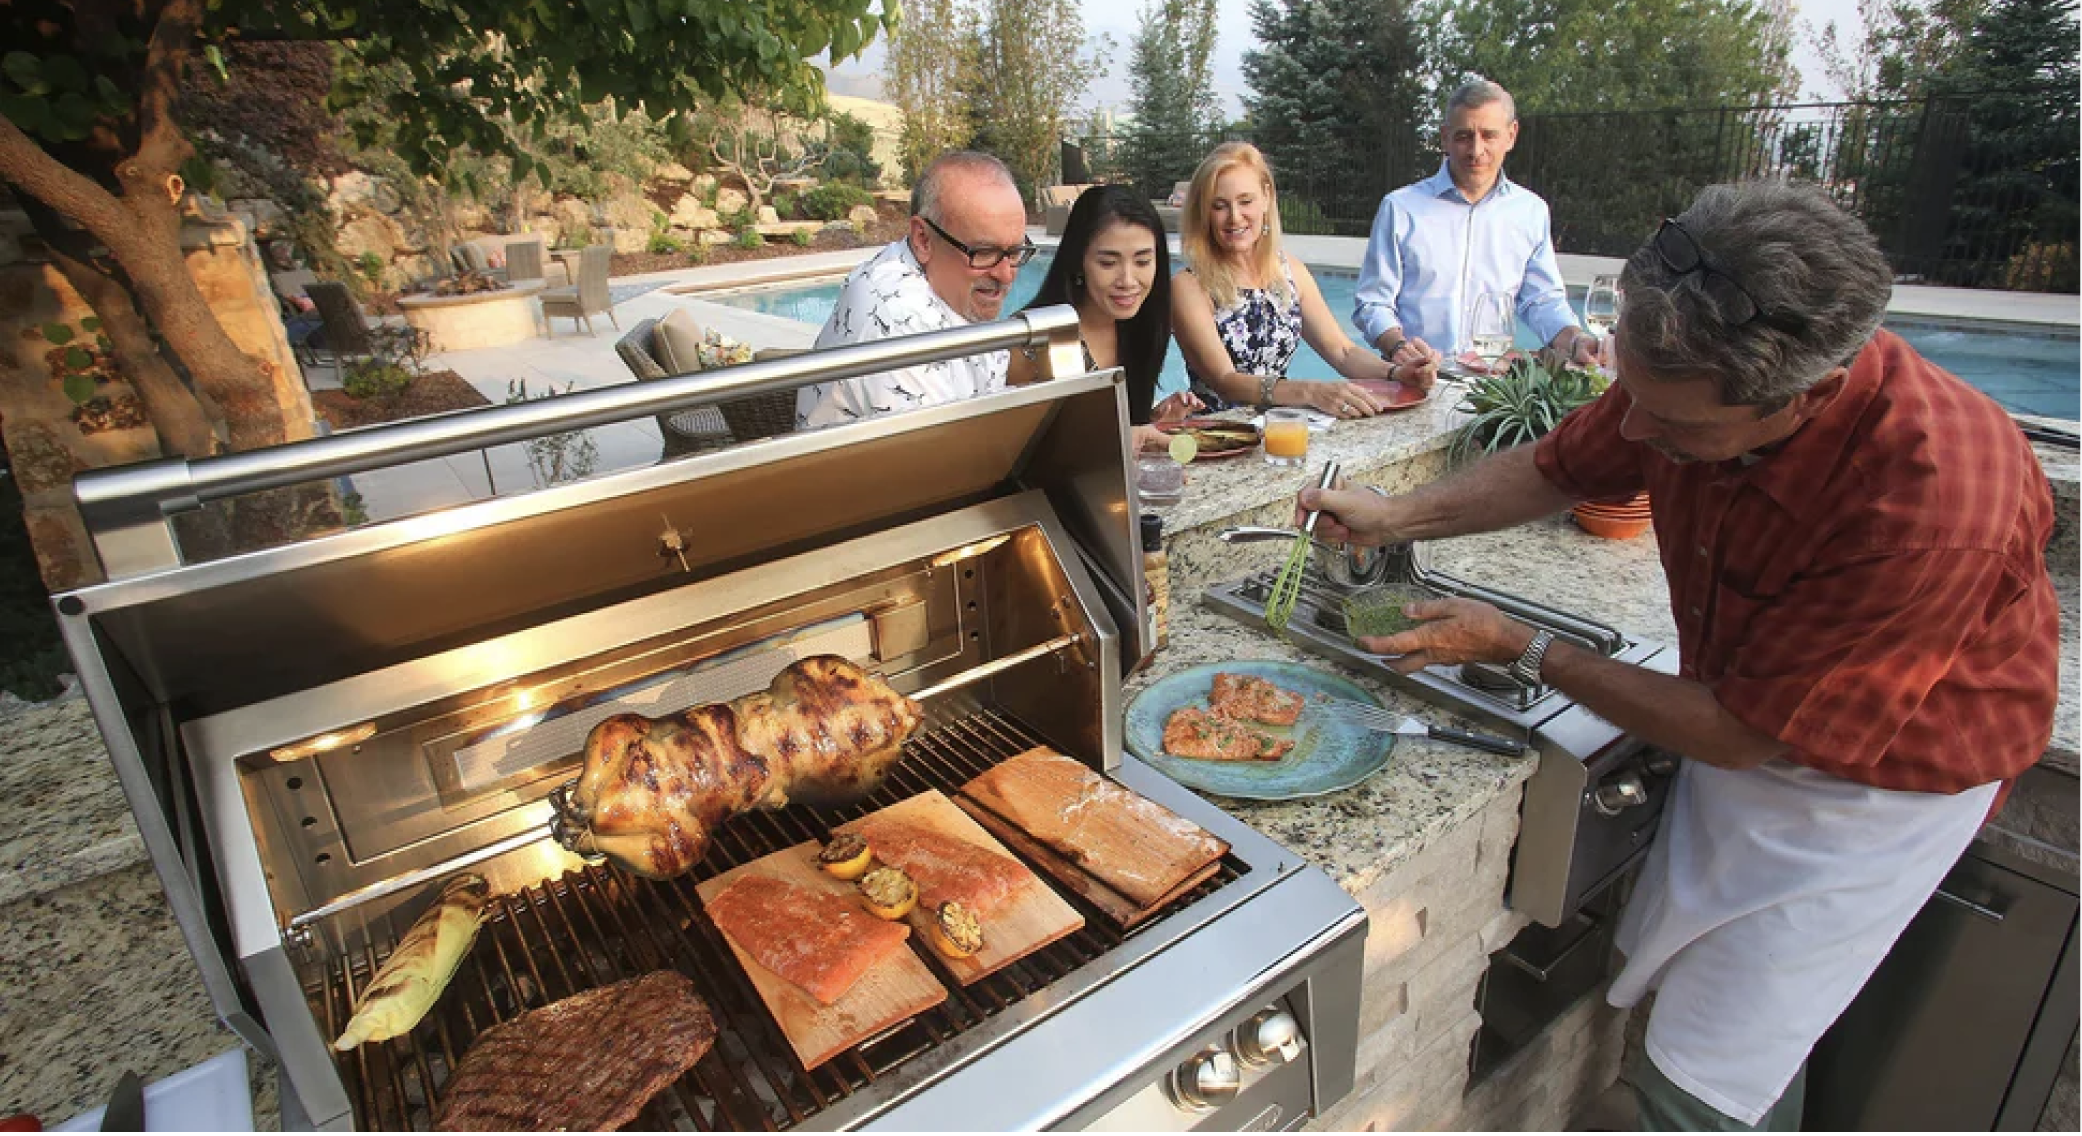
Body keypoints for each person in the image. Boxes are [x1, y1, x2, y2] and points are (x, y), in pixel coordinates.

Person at [1301, 180, 2058, 1131]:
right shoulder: (1689, 375)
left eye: (1678, 427)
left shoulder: (1932, 505)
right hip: (1751, 713)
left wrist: (1526, 646)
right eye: (1637, 398)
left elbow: (1750, 736)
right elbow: (1562, 465)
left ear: (1805, 394)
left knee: (1695, 1088)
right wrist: (1396, 512)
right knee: (1713, 1023)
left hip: (1876, 791)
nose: (1637, 435)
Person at [1353, 80, 1598, 384]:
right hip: (1414, 381)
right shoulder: (1401, 208)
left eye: (1489, 135)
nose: (1476, 150)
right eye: (1464, 136)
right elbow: (1373, 303)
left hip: (1496, 387)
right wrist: (1399, 348)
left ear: (1511, 135)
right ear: (1445, 137)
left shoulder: (1530, 212)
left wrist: (1575, 340)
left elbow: (1542, 301)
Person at [1170, 143, 1425, 420]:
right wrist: (1310, 392)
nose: (1234, 217)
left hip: (1281, 429)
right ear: (1203, 213)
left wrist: (1397, 373)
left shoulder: (1288, 270)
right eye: (1219, 206)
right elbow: (1225, 381)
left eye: (1246, 201)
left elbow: (1342, 350)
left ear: (1266, 198)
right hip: (1220, 437)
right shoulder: (1189, 286)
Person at [796, 151, 1036, 429]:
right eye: (983, 252)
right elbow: (944, 459)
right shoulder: (894, 316)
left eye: (1016, 251)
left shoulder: (952, 289)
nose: (1005, 275)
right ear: (923, 239)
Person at [1008, 185, 1202, 451]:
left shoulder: (1143, 325)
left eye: (1143, 262)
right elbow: (1015, 456)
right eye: (1108, 264)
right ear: (1078, 261)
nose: (1128, 281)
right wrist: (1125, 436)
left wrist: (1152, 422)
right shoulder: (1033, 341)